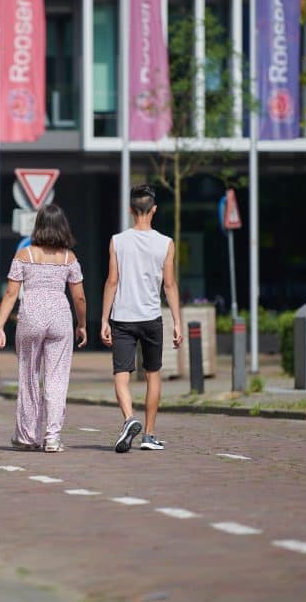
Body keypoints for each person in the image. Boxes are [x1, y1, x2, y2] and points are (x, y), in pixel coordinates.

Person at [0, 204, 87, 453]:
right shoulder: (70, 258)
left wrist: (0, 326)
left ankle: (27, 436)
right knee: (56, 378)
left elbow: (11, 293)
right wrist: (82, 324)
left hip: (31, 314)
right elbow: (79, 297)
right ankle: (53, 437)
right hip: (60, 315)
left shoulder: (25, 255)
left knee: (29, 375)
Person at [100, 185, 183, 452]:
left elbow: (112, 281)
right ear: (154, 210)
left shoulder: (117, 241)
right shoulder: (166, 243)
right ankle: (148, 435)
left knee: (121, 374)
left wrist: (104, 319)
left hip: (123, 316)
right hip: (151, 317)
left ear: (130, 210)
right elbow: (169, 285)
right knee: (153, 375)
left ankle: (128, 419)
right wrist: (178, 323)